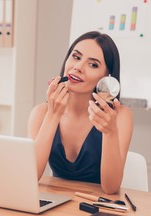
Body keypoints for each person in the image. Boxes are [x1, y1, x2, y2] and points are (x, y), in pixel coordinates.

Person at [28, 31, 133, 194]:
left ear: (106, 77)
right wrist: (53, 115)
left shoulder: (120, 116)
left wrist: (110, 132)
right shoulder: (40, 113)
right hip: (56, 205)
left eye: (93, 64)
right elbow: (31, 176)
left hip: (99, 208)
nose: (78, 67)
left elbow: (111, 188)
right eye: (76, 57)